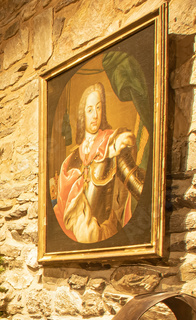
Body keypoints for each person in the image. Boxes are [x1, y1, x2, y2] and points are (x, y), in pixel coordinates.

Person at [52, 83, 145, 243]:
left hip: (105, 235)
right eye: (90, 110)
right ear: (83, 115)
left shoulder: (114, 141)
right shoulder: (70, 160)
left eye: (98, 108)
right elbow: (62, 207)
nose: (95, 115)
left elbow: (133, 180)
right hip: (77, 234)